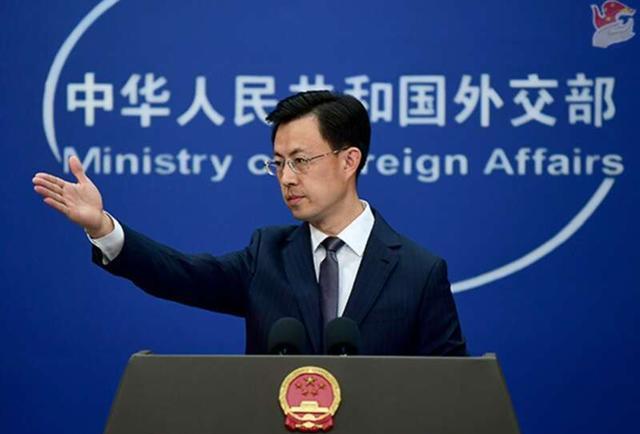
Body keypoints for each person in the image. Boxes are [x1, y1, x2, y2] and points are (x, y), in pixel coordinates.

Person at [33, 90, 467, 356]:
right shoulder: (268, 255)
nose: (286, 178)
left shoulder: (419, 272)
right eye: (278, 163)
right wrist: (103, 227)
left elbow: (451, 394)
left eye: (300, 160)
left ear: (349, 160)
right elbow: (180, 275)